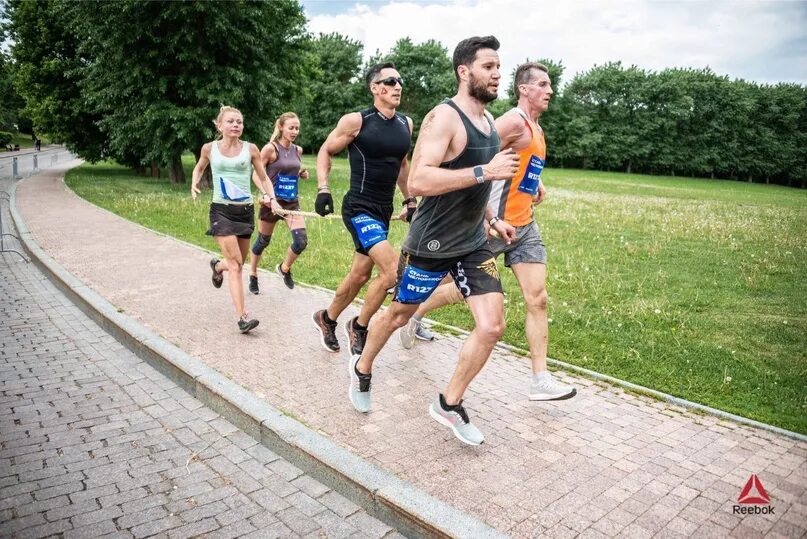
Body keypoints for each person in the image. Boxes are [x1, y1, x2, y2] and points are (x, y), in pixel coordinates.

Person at [347, 36, 521, 446]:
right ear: (464, 72)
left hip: (473, 243)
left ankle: (449, 402)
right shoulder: (443, 118)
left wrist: (493, 219)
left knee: (492, 325)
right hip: (431, 244)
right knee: (400, 314)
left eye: (499, 67)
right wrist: (485, 172)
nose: (497, 74)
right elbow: (422, 179)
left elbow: (477, 189)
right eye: (488, 67)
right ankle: (363, 367)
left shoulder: (489, 123)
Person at [399, 62, 577, 402]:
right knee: (456, 289)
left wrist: (535, 182)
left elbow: (520, 162)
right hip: (494, 225)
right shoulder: (511, 120)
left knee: (537, 298)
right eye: (542, 84)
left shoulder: (537, 129)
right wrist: (485, 213)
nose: (549, 90)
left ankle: (540, 379)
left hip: (524, 225)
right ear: (524, 89)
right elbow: (478, 154)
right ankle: (414, 313)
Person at [312, 62, 415, 356]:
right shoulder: (356, 121)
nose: (398, 87)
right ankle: (359, 326)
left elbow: (402, 165)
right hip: (358, 207)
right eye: (391, 82)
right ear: (375, 88)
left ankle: (327, 318)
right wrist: (323, 188)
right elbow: (324, 150)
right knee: (393, 271)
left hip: (383, 210)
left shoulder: (405, 124)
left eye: (400, 81)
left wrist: (409, 200)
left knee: (359, 275)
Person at [191, 105, 281, 333]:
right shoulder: (208, 148)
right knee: (237, 266)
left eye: (239, 122)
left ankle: (217, 266)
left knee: (238, 261)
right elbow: (199, 168)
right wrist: (195, 182)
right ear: (220, 125)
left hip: (245, 211)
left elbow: (263, 177)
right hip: (221, 210)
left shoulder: (251, 150)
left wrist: (271, 198)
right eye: (230, 121)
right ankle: (243, 317)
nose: (235, 125)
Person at [247, 112, 310, 294]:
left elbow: (288, 171)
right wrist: (267, 195)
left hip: (291, 203)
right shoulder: (270, 149)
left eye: (297, 128)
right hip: (271, 204)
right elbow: (256, 174)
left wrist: (300, 173)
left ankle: (284, 268)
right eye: (291, 127)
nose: (294, 131)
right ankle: (252, 274)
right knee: (262, 242)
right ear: (281, 127)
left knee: (301, 241)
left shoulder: (297, 150)